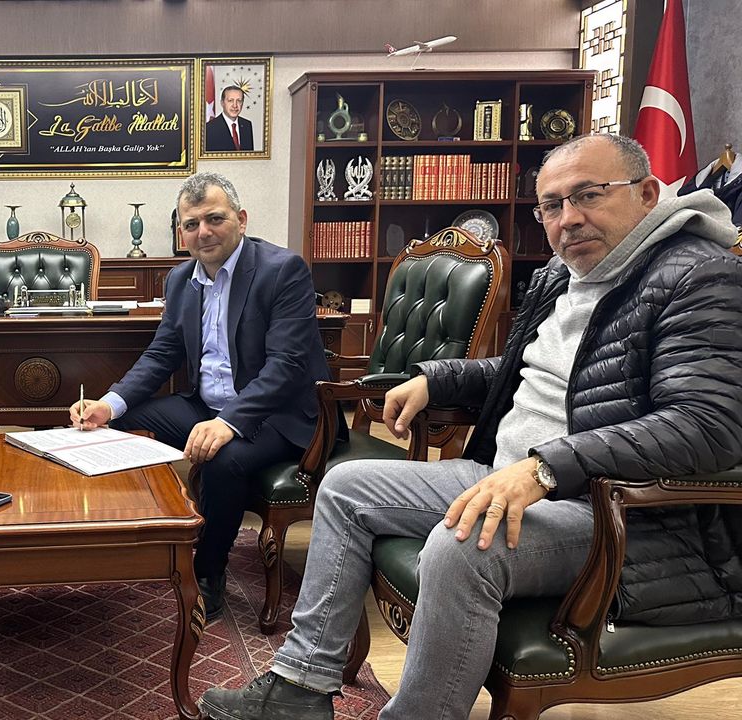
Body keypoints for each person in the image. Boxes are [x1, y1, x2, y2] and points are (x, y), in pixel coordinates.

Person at [197, 133, 742, 720]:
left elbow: (707, 426)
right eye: (552, 205)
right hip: (509, 475)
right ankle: (301, 689)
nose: (568, 219)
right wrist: (435, 379)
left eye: (588, 195)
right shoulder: (564, 275)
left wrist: (545, 469)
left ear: (647, 193)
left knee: (464, 543)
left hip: (617, 513)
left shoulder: (699, 275)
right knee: (345, 486)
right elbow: (521, 368)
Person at [71, 172, 333, 620]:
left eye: (214, 219)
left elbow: (286, 366)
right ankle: (137, 536)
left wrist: (229, 422)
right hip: (205, 405)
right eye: (191, 224)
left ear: (241, 219)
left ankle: (209, 571)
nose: (203, 232)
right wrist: (107, 404)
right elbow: (162, 354)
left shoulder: (282, 270)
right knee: (116, 423)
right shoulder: (180, 279)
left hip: (278, 415)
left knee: (221, 459)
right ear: (182, 233)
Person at [205, 86, 254, 152]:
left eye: (239, 101)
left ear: (242, 103)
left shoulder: (247, 125)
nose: (235, 105)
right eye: (230, 100)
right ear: (222, 103)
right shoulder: (209, 129)